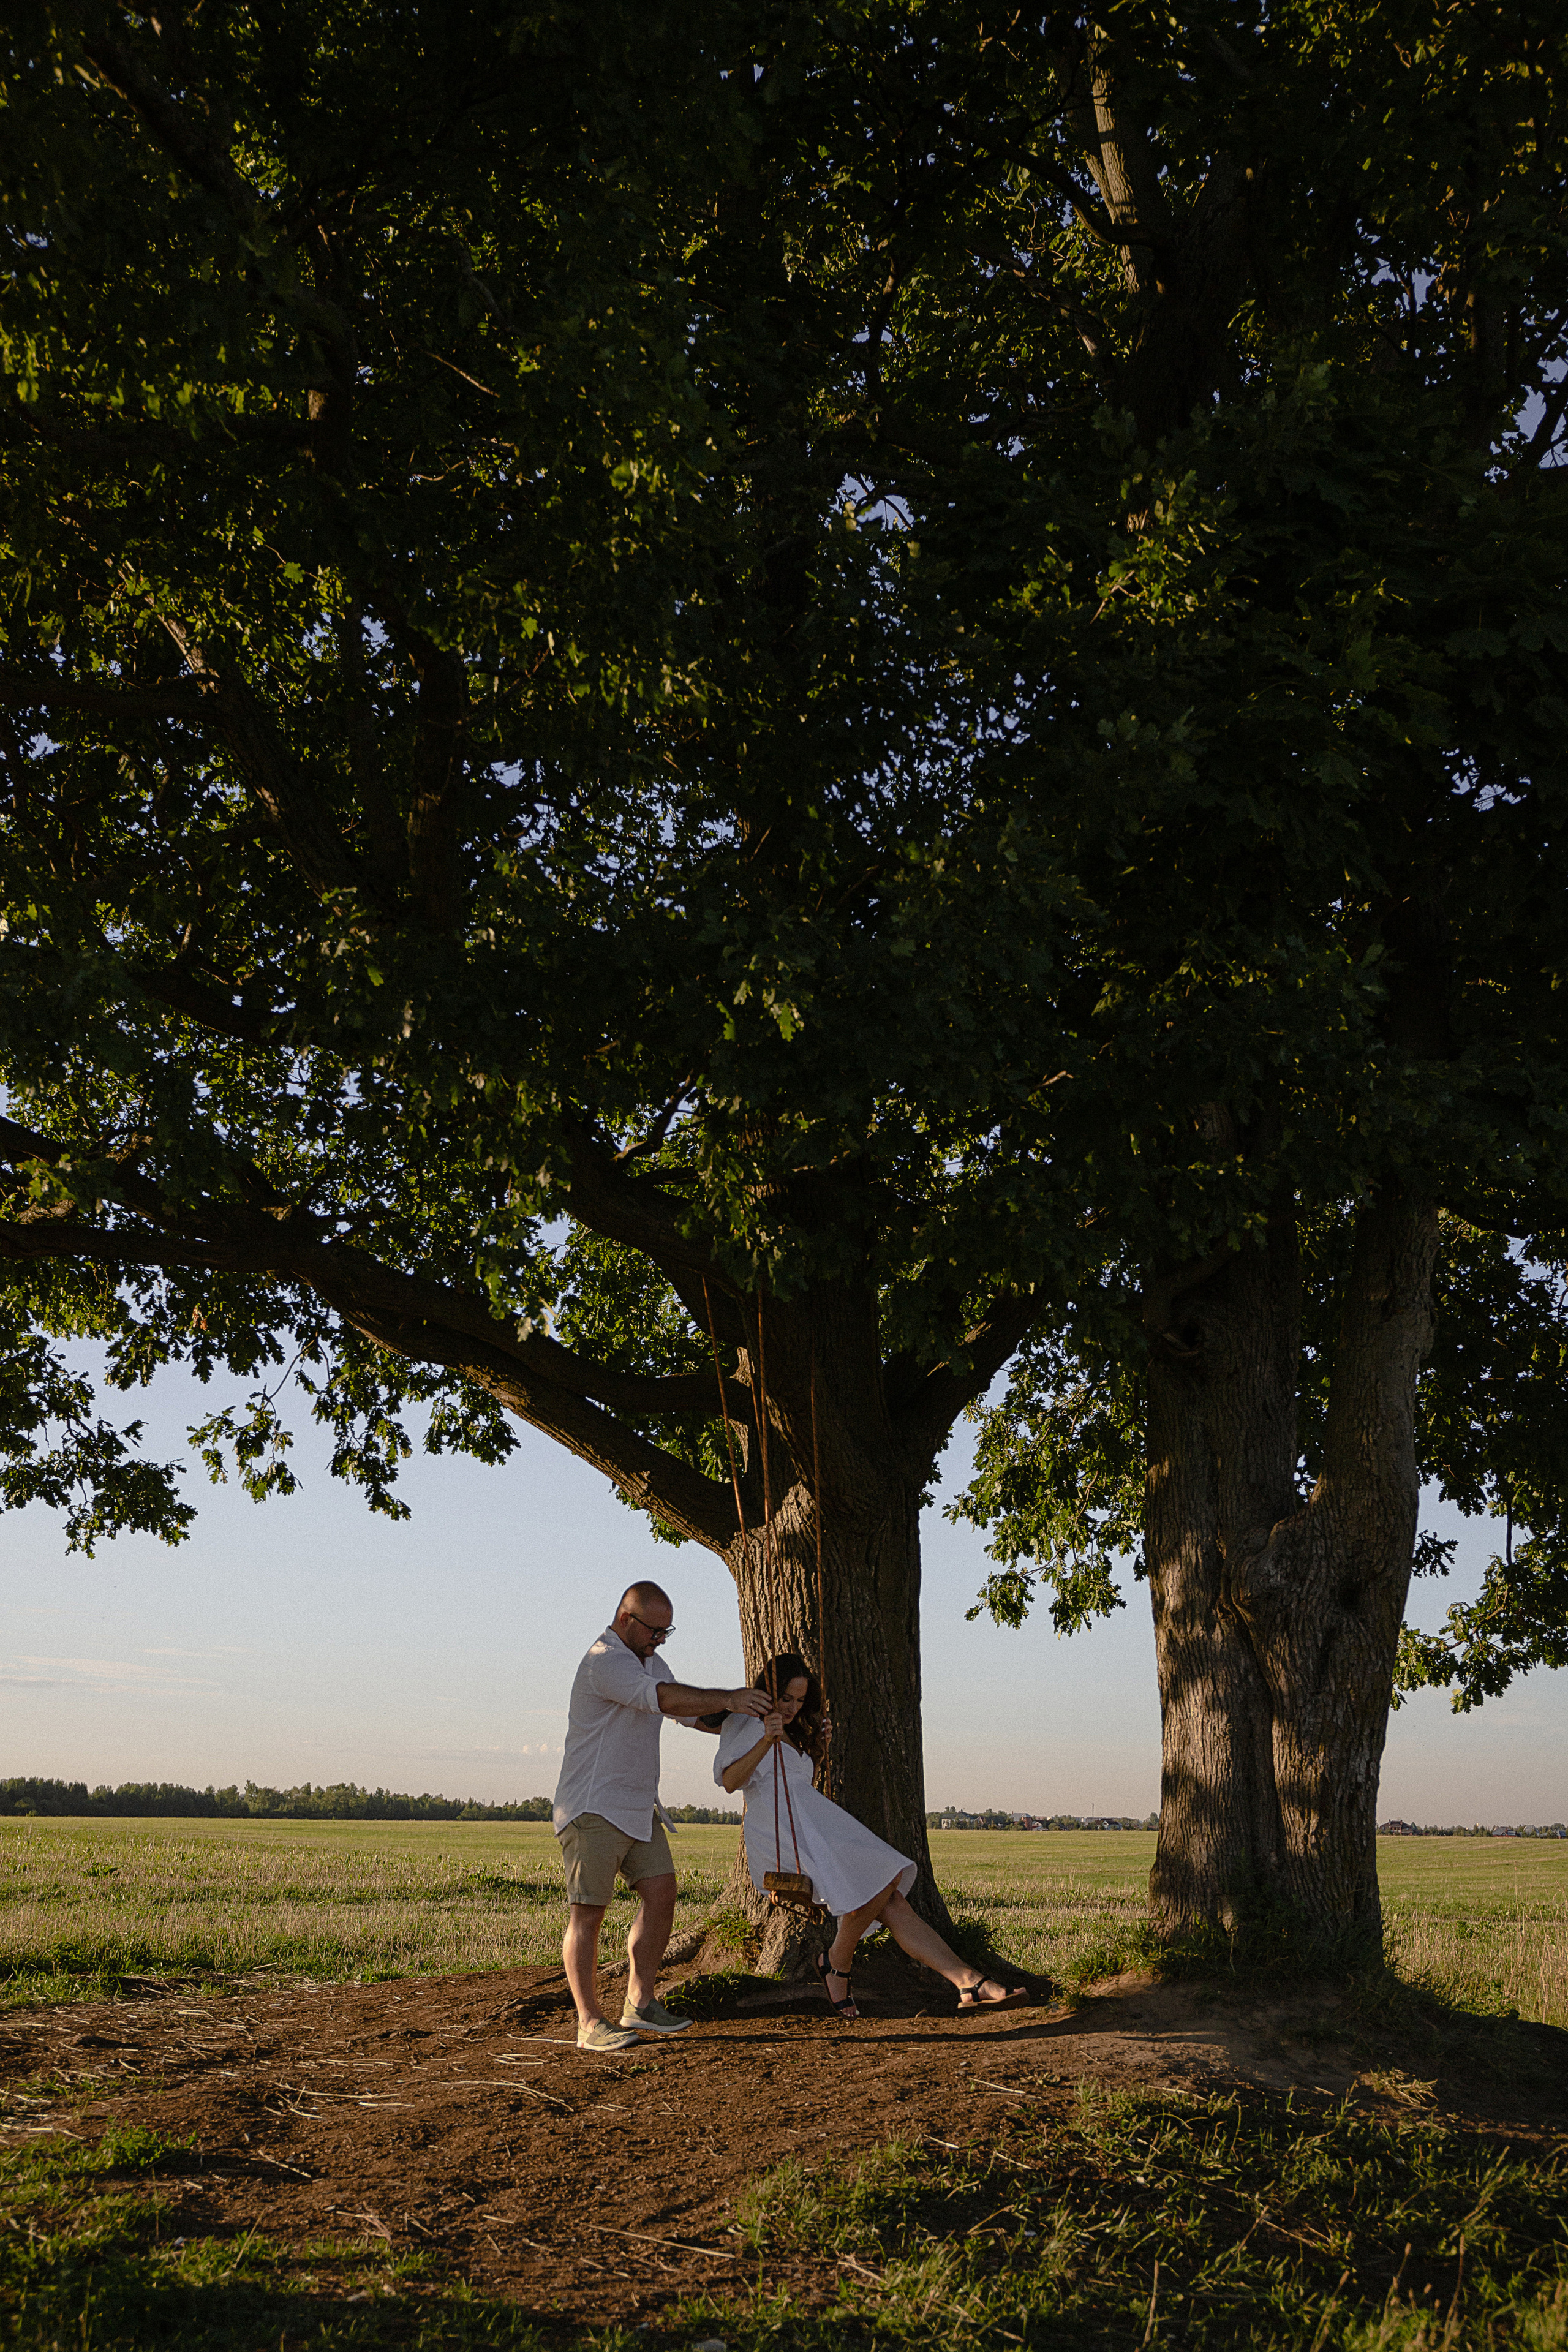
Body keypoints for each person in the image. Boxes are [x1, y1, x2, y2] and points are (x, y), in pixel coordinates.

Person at [716, 1653, 1028, 2019]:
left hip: (813, 1824)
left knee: (892, 1899)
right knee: (885, 1874)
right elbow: (731, 1782)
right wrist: (766, 1740)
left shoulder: (795, 1729)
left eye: (800, 1701)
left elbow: (796, 1780)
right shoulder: (746, 1722)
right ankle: (837, 1964)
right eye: (786, 1698)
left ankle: (968, 1981)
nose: (792, 1708)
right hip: (781, 1832)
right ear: (768, 1690)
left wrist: (818, 1751)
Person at [554, 1581, 772, 2051]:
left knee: (662, 1893)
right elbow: (668, 1700)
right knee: (588, 1914)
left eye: (666, 1632)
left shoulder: (649, 1661)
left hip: (638, 1807)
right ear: (626, 1619)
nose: (660, 1640)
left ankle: (641, 2003)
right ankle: (590, 2023)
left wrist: (755, 1713)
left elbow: (692, 1714)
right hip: (593, 1806)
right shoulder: (604, 1660)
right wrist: (730, 1697)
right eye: (655, 1630)